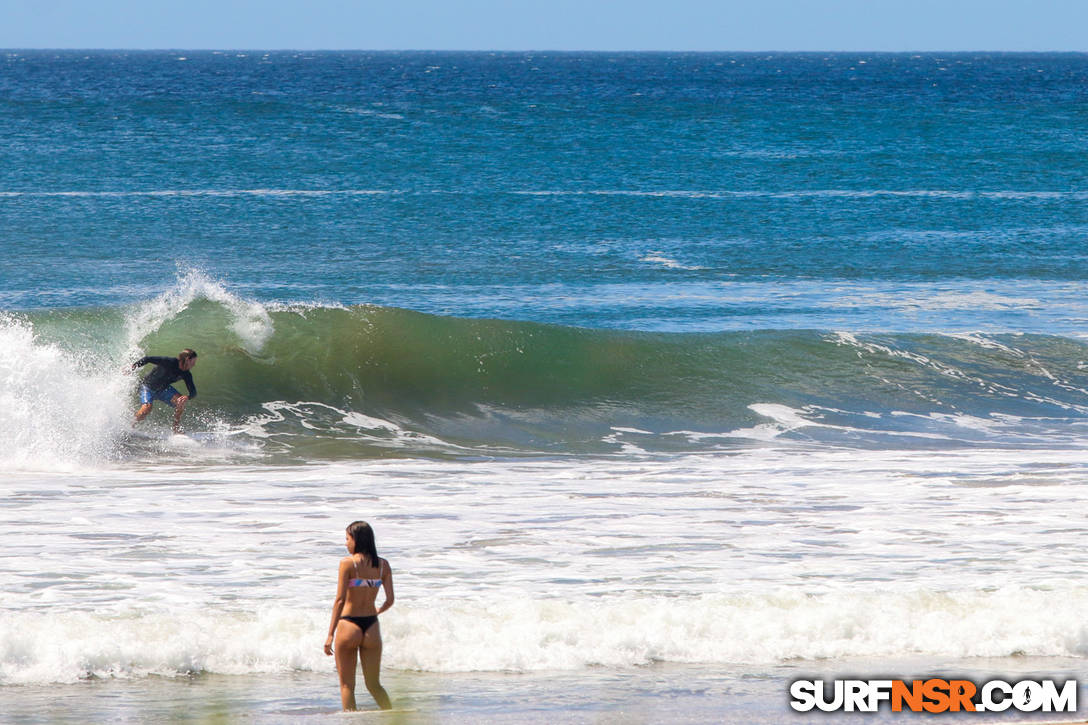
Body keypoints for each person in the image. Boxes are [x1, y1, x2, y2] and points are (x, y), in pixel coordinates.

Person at [324, 520, 394, 711]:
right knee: (374, 685)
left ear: (357, 540)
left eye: (347, 539)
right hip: (371, 626)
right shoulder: (383, 565)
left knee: (347, 686)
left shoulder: (347, 564)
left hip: (349, 624)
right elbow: (390, 600)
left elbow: (339, 600)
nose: (345, 543)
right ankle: (393, 719)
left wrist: (330, 634)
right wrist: (375, 611)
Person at [129, 349, 198, 433]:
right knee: (147, 408)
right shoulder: (169, 362)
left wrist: (187, 397)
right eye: (193, 361)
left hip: (163, 390)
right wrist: (133, 367)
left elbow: (193, 392)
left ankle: (175, 428)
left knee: (180, 403)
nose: (194, 364)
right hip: (147, 387)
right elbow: (147, 359)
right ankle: (130, 425)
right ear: (187, 359)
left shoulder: (186, 374)